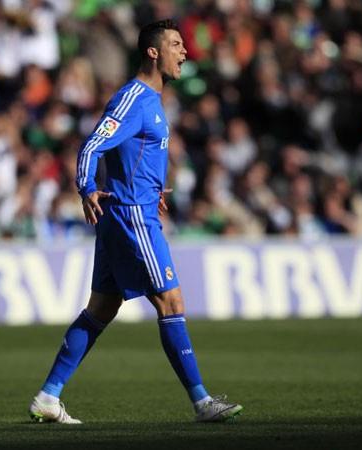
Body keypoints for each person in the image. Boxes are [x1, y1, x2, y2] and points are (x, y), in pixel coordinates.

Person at [28, 19, 243, 424]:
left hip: (130, 210)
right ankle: (202, 402)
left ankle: (48, 395)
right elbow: (92, 145)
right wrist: (86, 187)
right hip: (131, 217)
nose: (185, 52)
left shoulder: (153, 102)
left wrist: (152, 187)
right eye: (176, 45)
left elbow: (132, 156)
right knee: (171, 302)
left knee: (101, 308)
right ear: (153, 52)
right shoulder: (133, 99)